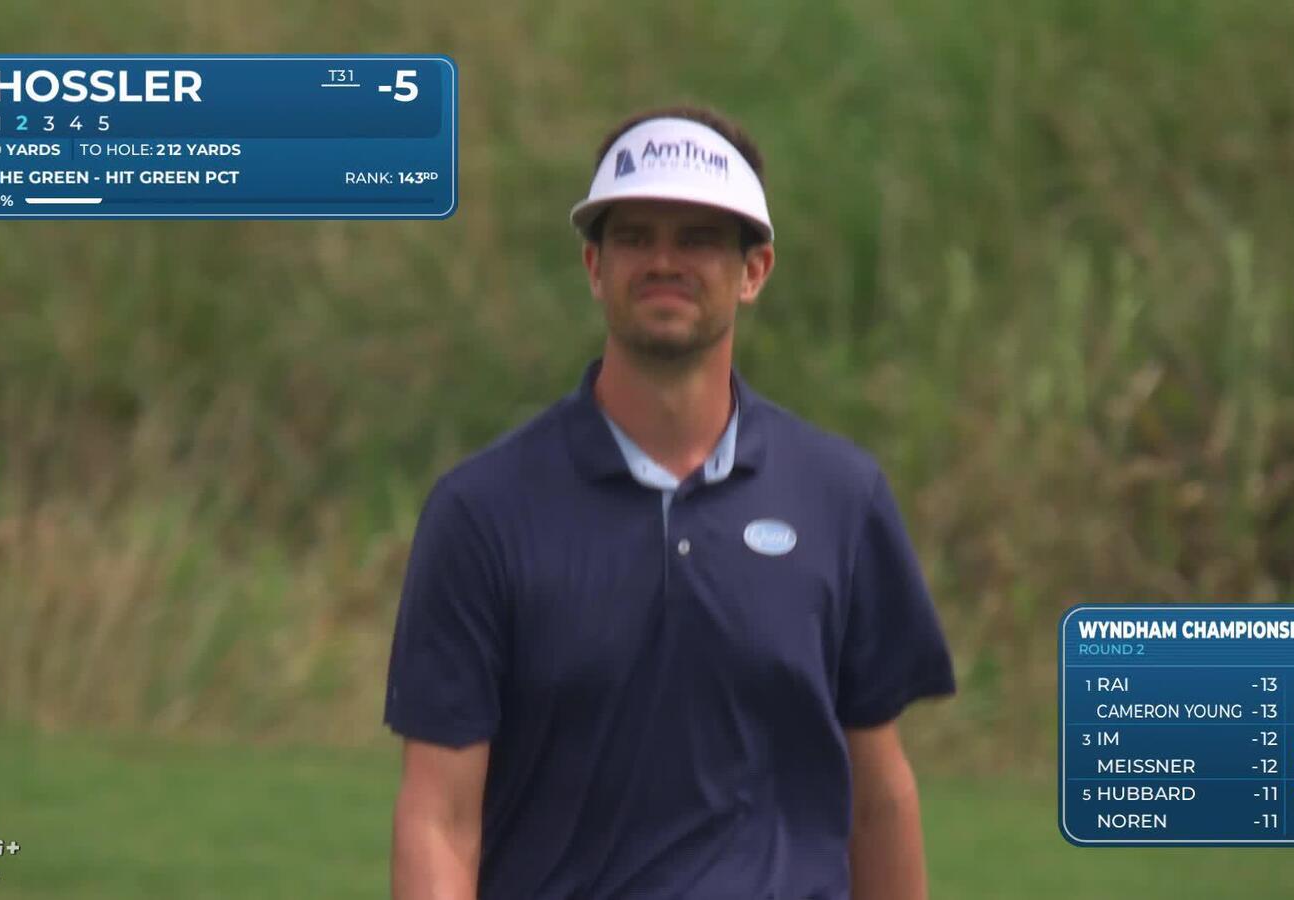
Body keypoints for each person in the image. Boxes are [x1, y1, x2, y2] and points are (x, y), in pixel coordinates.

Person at [385, 105, 956, 899]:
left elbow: (879, 801)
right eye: (634, 236)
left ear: (754, 270)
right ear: (594, 266)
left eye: (697, 238)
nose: (663, 260)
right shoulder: (482, 512)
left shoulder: (840, 498)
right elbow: (439, 816)